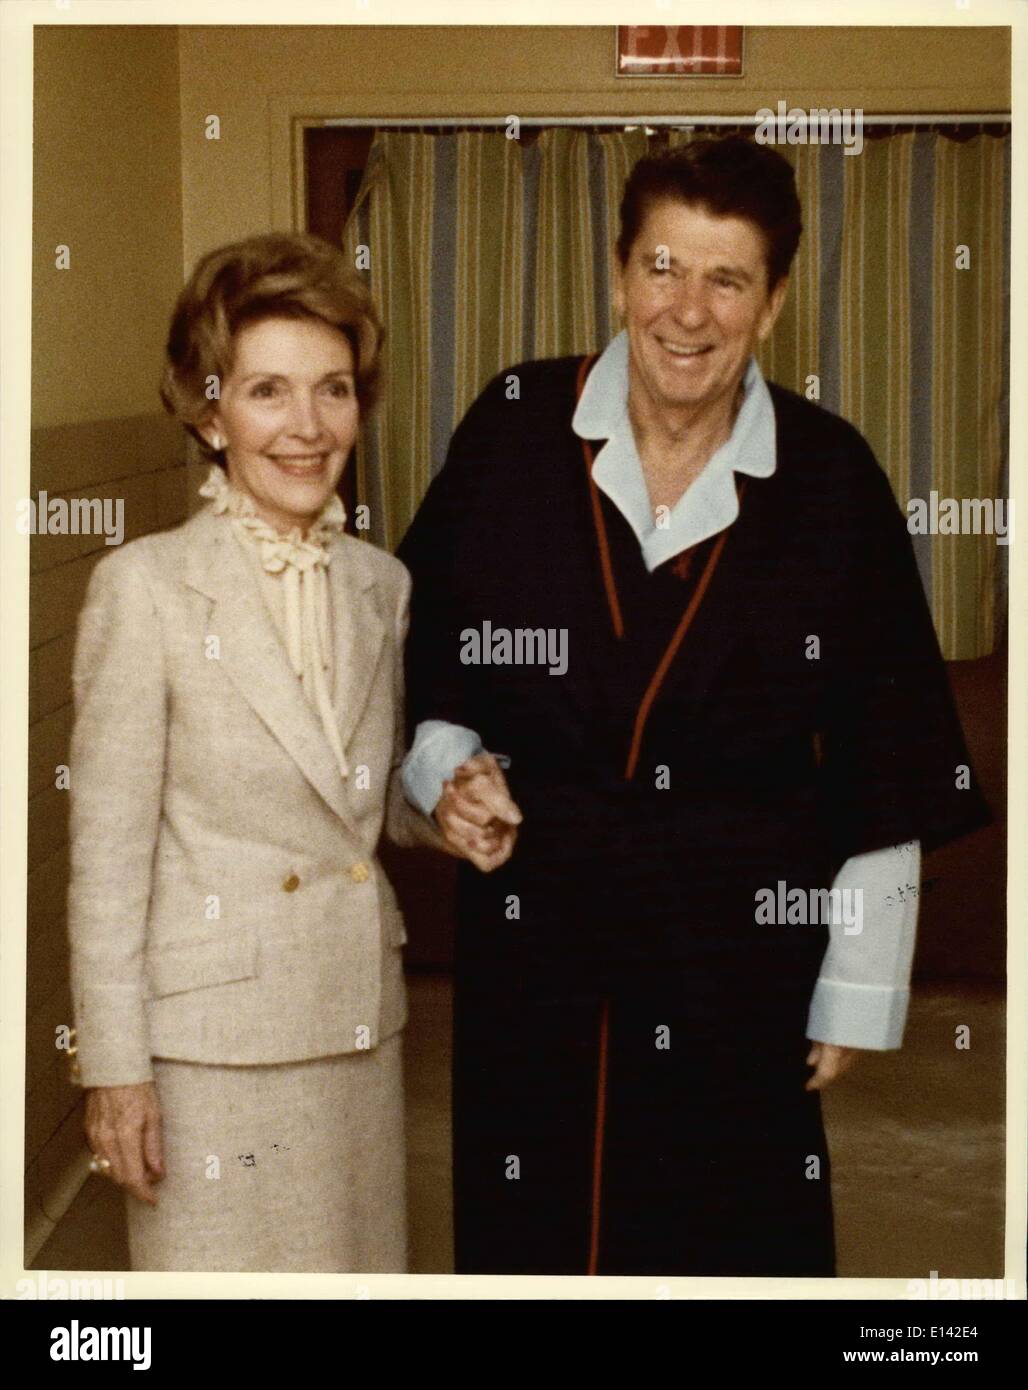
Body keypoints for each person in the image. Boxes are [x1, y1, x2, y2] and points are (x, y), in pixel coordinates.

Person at [397, 137, 992, 1276]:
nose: (686, 309)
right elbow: (426, 651)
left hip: (738, 948)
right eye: (663, 267)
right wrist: (445, 767)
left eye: (727, 279)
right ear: (618, 270)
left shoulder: (829, 481)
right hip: (539, 932)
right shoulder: (516, 423)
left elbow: (887, 753)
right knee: (531, 1227)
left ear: (771, 304)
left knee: (732, 1236)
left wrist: (857, 986)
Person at [66, 232, 441, 1273]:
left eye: (333, 390)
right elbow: (106, 860)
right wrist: (116, 1072)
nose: (307, 426)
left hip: (354, 1025)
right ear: (206, 408)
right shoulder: (144, 588)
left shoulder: (380, 585)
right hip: (210, 1052)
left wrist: (444, 805)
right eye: (267, 390)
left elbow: (358, 803)